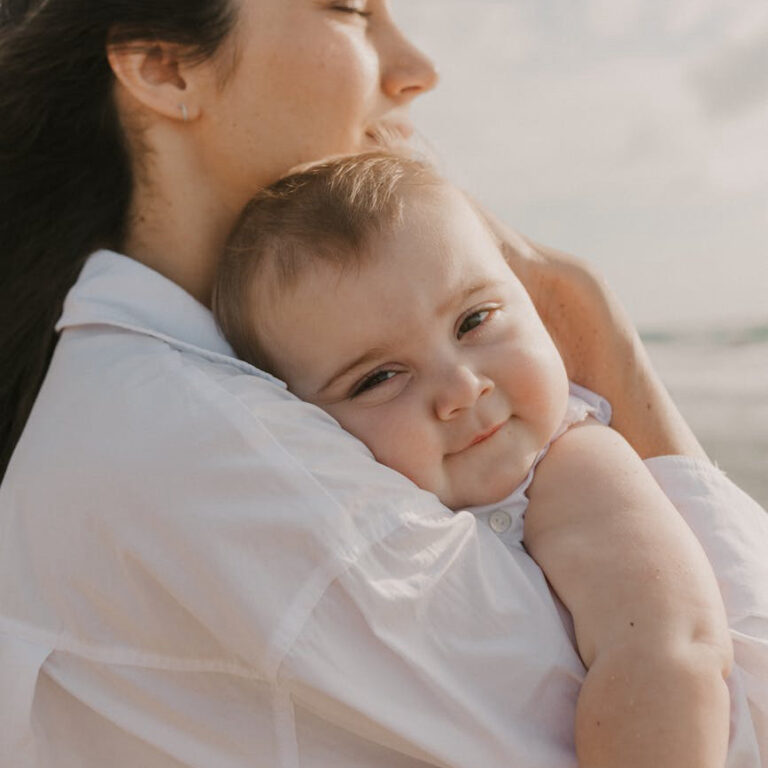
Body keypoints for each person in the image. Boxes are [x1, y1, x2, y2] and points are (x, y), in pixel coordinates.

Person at [1, 1, 766, 767]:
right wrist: (596, 332)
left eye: (475, 320)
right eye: (350, 10)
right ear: (164, 69)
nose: (418, 70)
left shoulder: (158, 394)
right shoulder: (222, 451)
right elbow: (738, 721)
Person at [212, 150, 765, 767]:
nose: (461, 388)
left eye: (474, 320)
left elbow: (668, 650)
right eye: (379, 378)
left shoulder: (573, 466)